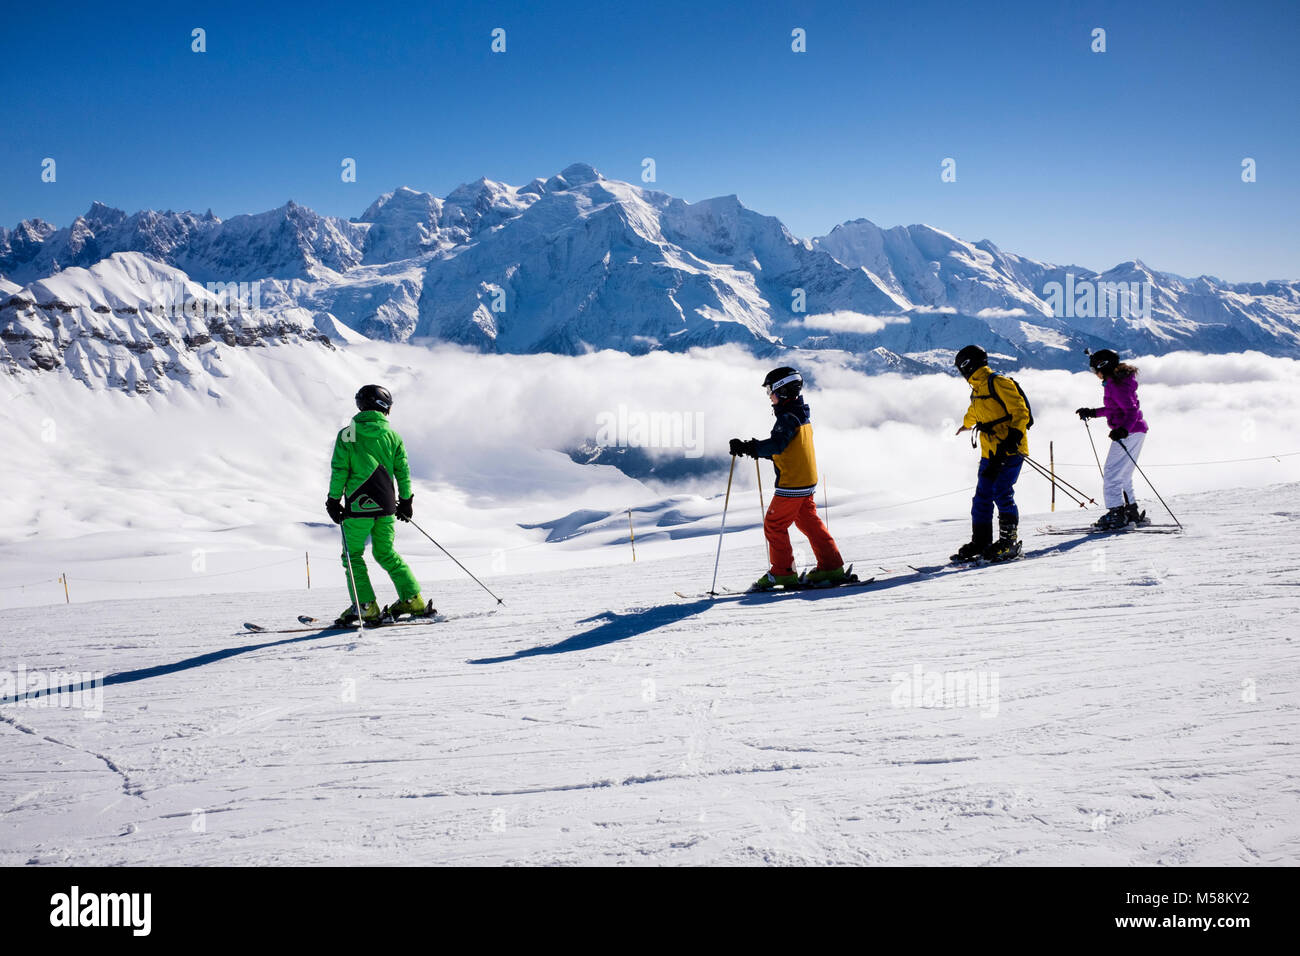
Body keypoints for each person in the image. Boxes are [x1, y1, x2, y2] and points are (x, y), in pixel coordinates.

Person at [729, 367, 849, 591]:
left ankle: (782, 572)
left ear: (782, 391)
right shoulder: (800, 413)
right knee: (809, 523)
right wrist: (755, 449)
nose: (769, 396)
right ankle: (831, 567)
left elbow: (777, 445)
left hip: (792, 484)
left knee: (774, 524)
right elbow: (788, 450)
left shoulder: (787, 417)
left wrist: (749, 447)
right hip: (806, 480)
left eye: (770, 391)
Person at [325, 384, 429, 625]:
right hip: (386, 507)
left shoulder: (347, 434)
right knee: (385, 553)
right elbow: (403, 471)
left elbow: (340, 470)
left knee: (352, 556)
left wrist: (333, 500)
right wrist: (406, 501)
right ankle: (413, 600)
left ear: (361, 405)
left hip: (357, 507)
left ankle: (366, 606)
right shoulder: (393, 436)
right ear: (385, 407)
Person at [951, 345, 1031, 563]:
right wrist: (966, 425)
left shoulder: (998, 382)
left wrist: (1014, 437)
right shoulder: (978, 388)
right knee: (982, 496)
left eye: (961, 367)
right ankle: (981, 541)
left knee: (1001, 491)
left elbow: (1020, 411)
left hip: (1009, 449)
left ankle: (1009, 543)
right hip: (990, 450)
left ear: (967, 365)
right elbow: (975, 412)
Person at [1076, 349, 1149, 530]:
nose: (1095, 374)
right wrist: (1093, 412)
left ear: (1103, 366)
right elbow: (1114, 408)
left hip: (1129, 432)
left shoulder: (1116, 385)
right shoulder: (1117, 382)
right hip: (1136, 431)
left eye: (1095, 370)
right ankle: (1130, 512)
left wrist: (1123, 430)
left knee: (1111, 474)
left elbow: (1131, 412)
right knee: (1123, 475)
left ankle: (1116, 515)